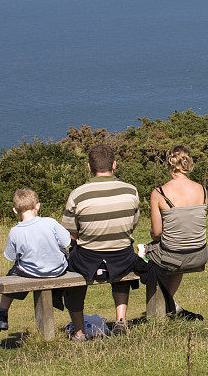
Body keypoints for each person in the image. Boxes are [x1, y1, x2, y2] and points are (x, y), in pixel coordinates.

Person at [61, 144, 140, 340]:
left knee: (71, 271)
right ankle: (120, 320)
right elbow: (133, 224)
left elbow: (69, 233)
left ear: (89, 167)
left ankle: (79, 331)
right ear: (114, 164)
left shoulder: (78, 194)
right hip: (122, 256)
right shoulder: (131, 191)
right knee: (122, 258)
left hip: (87, 258)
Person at [0, 188, 70, 332]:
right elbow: (65, 242)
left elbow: (11, 256)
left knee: (14, 272)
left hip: (31, 272)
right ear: (37, 205)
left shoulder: (15, 231)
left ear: (15, 210)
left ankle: (1, 314)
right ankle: (57, 294)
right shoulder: (50, 222)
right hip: (58, 270)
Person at [139, 145, 207, 320]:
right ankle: (170, 303)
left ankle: (162, 304)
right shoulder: (202, 189)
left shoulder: (159, 193)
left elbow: (156, 232)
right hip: (198, 254)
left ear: (169, 165)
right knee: (177, 254)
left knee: (143, 252)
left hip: (173, 254)